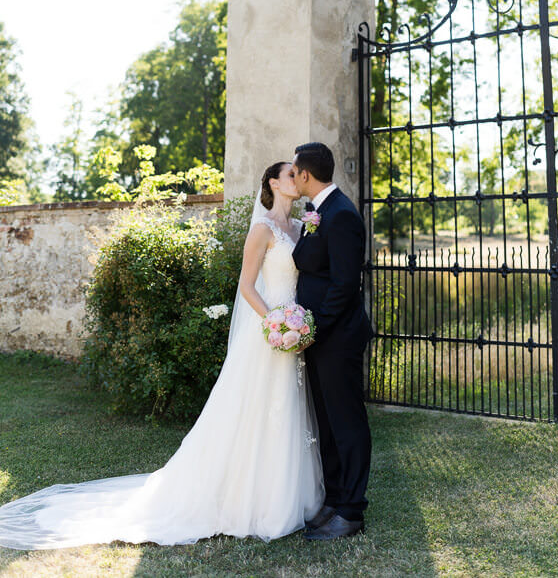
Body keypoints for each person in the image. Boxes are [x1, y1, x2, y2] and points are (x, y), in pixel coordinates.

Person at [0, 162, 324, 550]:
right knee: (255, 410)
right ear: (273, 183)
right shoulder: (263, 229)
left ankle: (285, 496)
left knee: (286, 408)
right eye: (290, 173)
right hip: (269, 331)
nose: (297, 177)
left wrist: (297, 325)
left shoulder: (301, 227)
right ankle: (249, 501)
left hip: (294, 331)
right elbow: (246, 286)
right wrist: (276, 322)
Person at [292, 142, 374, 540]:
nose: (293, 176)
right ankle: (335, 498)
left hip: (337, 336)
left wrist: (313, 329)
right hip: (319, 337)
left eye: (295, 171)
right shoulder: (317, 212)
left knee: (347, 422)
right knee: (326, 422)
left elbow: (345, 285)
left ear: (306, 174)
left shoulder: (340, 215)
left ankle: (352, 511)